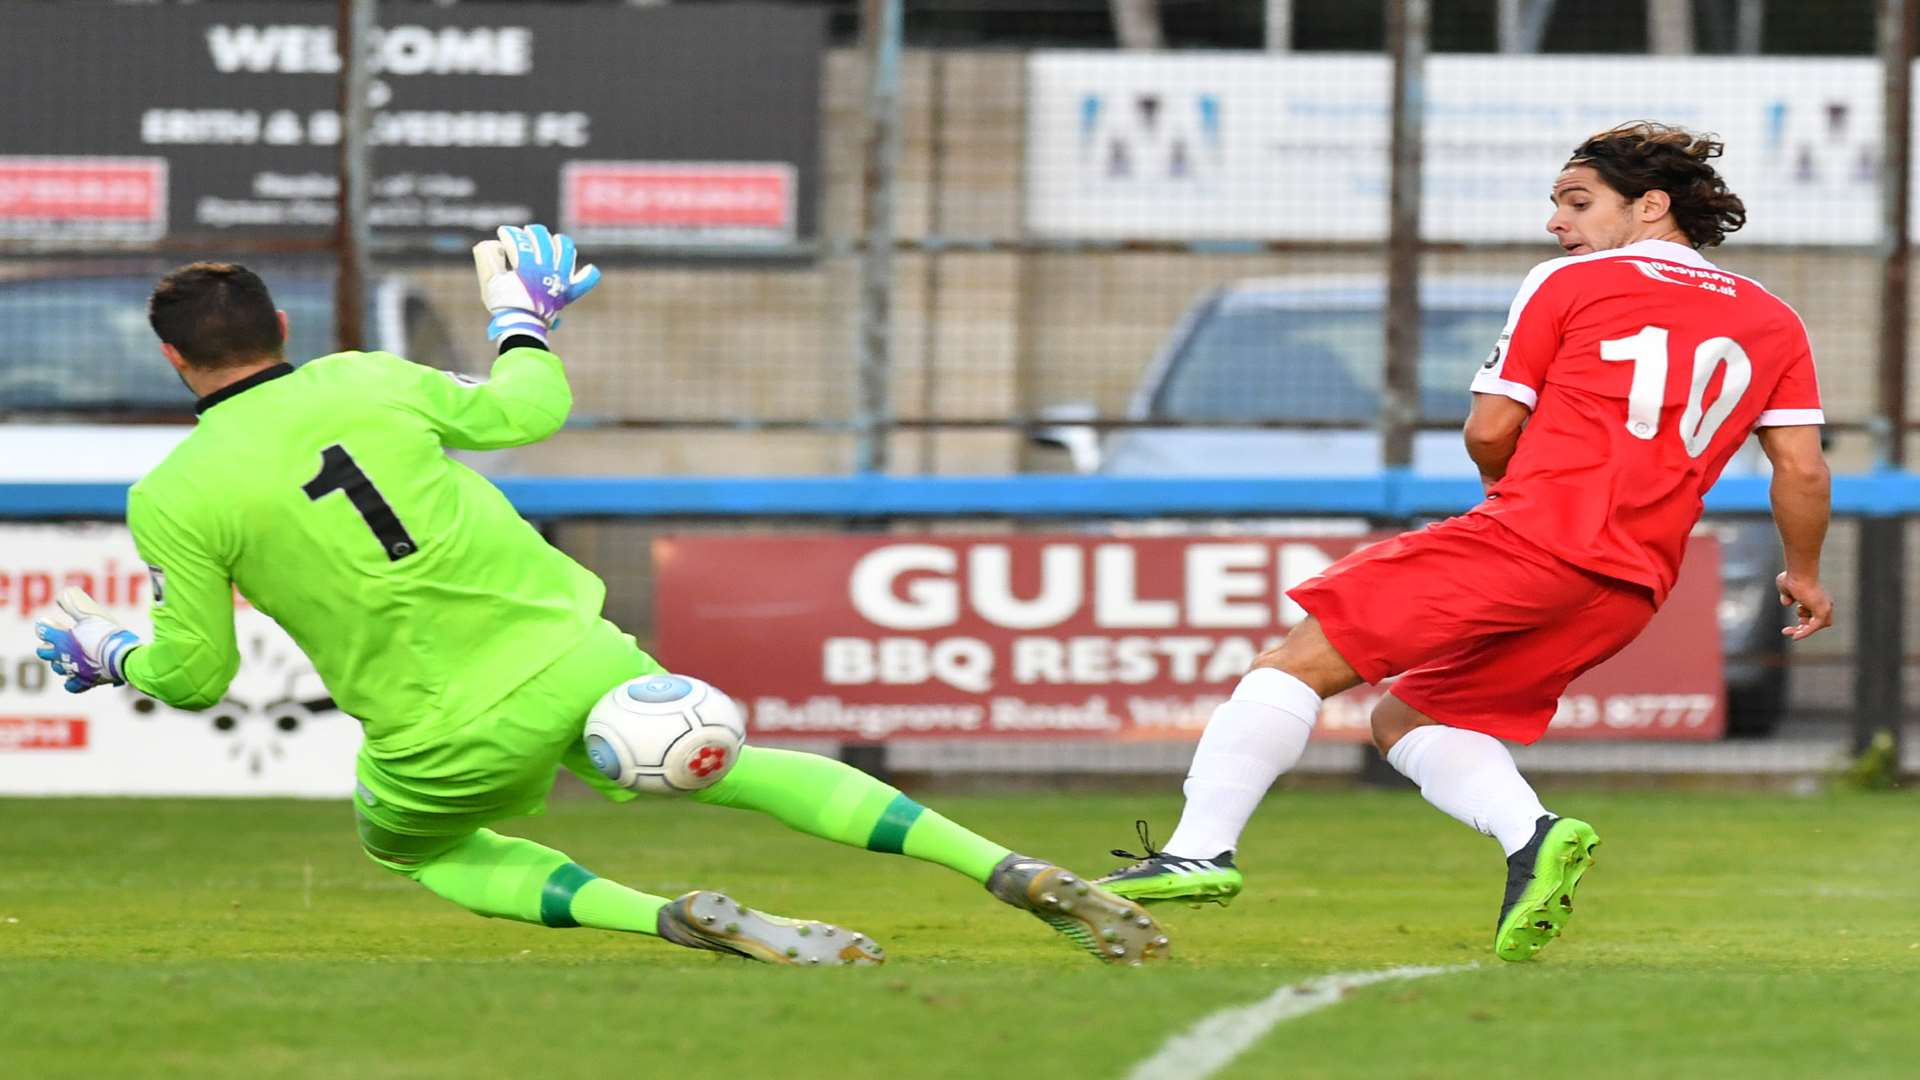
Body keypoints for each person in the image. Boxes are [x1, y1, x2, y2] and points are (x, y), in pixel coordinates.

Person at [32, 224, 1170, 967]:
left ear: (174, 363)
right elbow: (525, 413)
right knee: (750, 766)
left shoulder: (173, 493)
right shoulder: (367, 379)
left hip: (438, 732)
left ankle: (667, 917)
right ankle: (1004, 867)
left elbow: (198, 677)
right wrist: (525, 324)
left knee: (419, 854)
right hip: (578, 656)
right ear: (282, 328)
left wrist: (107, 657)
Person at [1095, 122, 1834, 962]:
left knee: (1295, 663)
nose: (1557, 222)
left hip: (1529, 539)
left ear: (1652, 206)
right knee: (1411, 714)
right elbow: (1802, 472)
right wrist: (1804, 573)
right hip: (1631, 585)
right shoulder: (1775, 318)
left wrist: (1511, 497)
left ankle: (1200, 850)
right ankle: (1534, 838)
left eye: (1578, 202)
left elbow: (1490, 429)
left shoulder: (1570, 282)